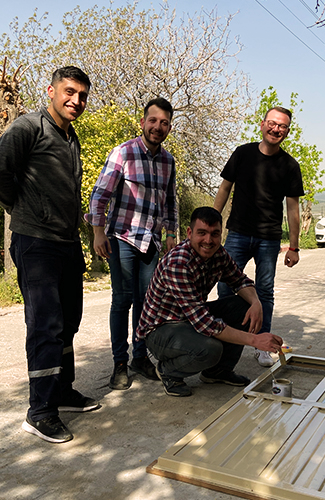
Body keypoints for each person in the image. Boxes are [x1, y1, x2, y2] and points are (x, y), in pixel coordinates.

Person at [0, 66, 100, 444]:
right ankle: (40, 411)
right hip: (35, 241)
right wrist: (21, 208)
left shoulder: (70, 137)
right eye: (69, 92)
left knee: (68, 321)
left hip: (66, 242)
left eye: (82, 95)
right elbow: (1, 173)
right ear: (51, 91)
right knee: (45, 325)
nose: (76, 100)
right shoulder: (27, 127)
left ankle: (61, 391)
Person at [136, 207, 284, 397]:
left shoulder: (218, 254)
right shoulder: (178, 263)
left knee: (243, 306)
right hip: (162, 329)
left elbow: (240, 281)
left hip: (189, 318)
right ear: (189, 233)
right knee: (210, 349)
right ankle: (168, 371)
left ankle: (217, 372)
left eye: (214, 234)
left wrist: (256, 303)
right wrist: (255, 340)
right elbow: (204, 323)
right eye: (202, 233)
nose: (208, 240)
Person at [85, 97, 177, 390]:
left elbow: (170, 200)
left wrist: (171, 234)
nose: (157, 127)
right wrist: (98, 232)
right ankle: (119, 363)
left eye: (164, 123)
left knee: (146, 302)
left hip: (151, 241)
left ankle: (140, 356)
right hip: (122, 238)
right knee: (122, 300)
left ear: (169, 127)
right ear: (142, 122)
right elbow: (99, 195)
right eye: (153, 121)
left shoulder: (168, 161)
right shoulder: (123, 152)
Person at [214, 106, 304, 368]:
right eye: (272, 123)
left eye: (282, 126)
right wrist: (212, 224)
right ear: (262, 124)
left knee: (264, 291)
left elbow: (293, 208)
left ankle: (263, 345)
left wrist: (294, 247)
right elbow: (224, 188)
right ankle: (224, 340)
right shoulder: (242, 153)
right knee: (225, 287)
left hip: (269, 239)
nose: (276, 129)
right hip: (237, 234)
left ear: (287, 131)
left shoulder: (290, 166)